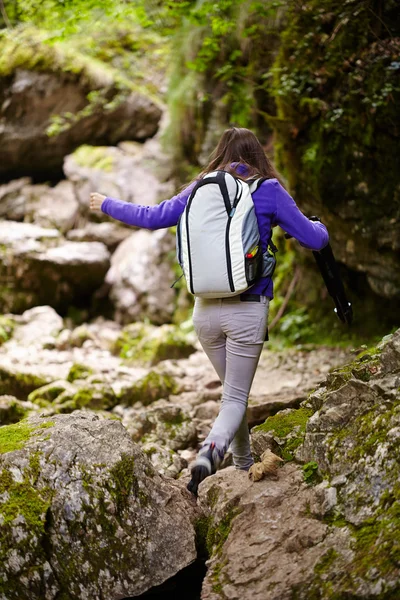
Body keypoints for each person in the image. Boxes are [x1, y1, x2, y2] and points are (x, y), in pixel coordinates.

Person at [90, 127, 329, 496]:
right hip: (247, 311)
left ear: (222, 154)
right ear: (257, 157)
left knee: (233, 396)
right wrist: (322, 229)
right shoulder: (268, 190)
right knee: (235, 398)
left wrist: (106, 202)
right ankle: (209, 453)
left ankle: (244, 465)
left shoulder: (200, 189)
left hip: (204, 315)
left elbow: (152, 216)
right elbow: (313, 239)